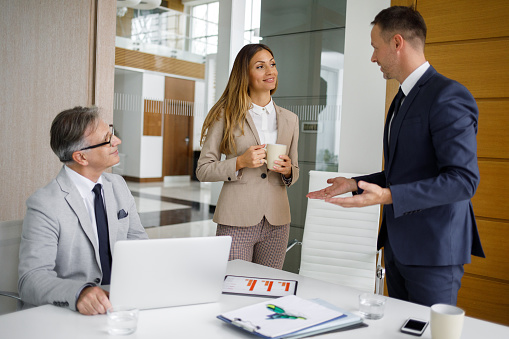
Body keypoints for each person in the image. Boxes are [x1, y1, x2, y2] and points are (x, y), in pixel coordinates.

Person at [307, 6, 484, 306]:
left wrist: (387, 196)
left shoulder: (448, 96)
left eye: (376, 48)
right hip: (398, 248)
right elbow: (405, 170)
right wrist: (354, 183)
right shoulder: (400, 99)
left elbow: (463, 181)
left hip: (433, 252)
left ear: (397, 43)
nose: (373, 57)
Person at [18, 106, 148, 315]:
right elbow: (31, 279)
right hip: (71, 314)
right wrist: (79, 293)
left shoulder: (118, 185)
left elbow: (139, 244)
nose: (117, 141)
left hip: (122, 306)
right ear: (81, 158)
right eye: (107, 139)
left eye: (112, 132)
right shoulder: (44, 204)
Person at [197, 44, 299, 270]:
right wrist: (240, 162)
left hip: (277, 220)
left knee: (269, 286)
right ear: (245, 73)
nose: (270, 71)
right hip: (236, 219)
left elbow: (295, 170)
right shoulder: (225, 114)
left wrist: (288, 170)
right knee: (234, 286)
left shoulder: (290, 119)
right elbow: (203, 169)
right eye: (260, 66)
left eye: (272, 64)